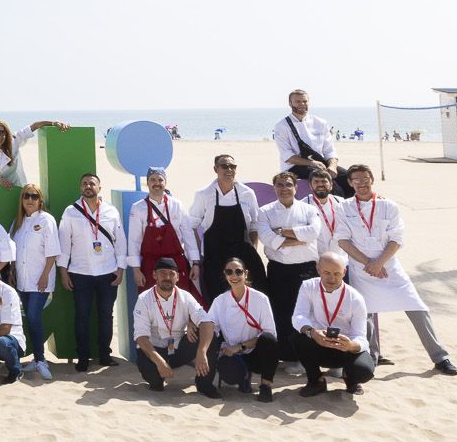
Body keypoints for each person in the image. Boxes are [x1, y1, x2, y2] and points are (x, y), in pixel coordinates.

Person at [336, 165, 457, 375]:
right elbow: (343, 240)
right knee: (364, 314)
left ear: (372, 180)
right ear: (350, 183)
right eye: (356, 180)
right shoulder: (344, 207)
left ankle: (440, 357)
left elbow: (397, 239)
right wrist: (369, 264)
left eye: (365, 179)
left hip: (389, 266)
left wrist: (379, 263)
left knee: (417, 308)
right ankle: (371, 356)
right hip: (361, 268)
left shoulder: (388, 206)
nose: (361, 183)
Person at [57, 173, 127, 372]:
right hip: (80, 272)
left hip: (108, 272)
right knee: (82, 316)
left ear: (100, 187)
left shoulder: (111, 211)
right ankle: (83, 358)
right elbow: (64, 244)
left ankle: (105, 355)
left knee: (106, 315)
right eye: (85, 184)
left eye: (92, 183)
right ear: (81, 188)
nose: (88, 186)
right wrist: (63, 271)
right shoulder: (71, 212)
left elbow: (120, 241)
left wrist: (120, 269)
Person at [291, 253, 376, 396]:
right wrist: (313, 332)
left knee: (364, 371)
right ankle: (315, 381)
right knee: (298, 336)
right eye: (326, 273)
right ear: (318, 269)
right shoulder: (308, 286)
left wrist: (350, 345)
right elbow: (298, 316)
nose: (332, 278)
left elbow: (361, 338)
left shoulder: (355, 298)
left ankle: (350, 379)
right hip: (319, 342)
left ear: (344, 272)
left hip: (345, 349)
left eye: (337, 273)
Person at [258, 170, 319, 367]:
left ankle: (305, 356)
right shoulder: (265, 211)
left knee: (305, 312)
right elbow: (267, 239)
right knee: (282, 312)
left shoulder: (309, 210)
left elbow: (313, 233)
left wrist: (282, 234)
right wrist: (297, 240)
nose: (284, 189)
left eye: (288, 185)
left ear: (296, 187)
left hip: (306, 269)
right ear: (274, 188)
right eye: (280, 185)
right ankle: (285, 354)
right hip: (279, 270)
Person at [131, 259, 215, 395]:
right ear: (154, 275)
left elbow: (207, 322)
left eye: (171, 274)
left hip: (177, 348)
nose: (167, 277)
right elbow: (141, 337)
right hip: (155, 349)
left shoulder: (185, 296)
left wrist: (201, 352)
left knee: (210, 335)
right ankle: (157, 377)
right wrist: (159, 361)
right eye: (162, 273)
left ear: (177, 277)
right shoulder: (144, 299)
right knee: (155, 382)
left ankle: (204, 385)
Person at [189, 156, 264, 305]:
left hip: (243, 257)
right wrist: (197, 257)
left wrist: (253, 249)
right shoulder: (203, 194)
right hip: (215, 257)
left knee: (253, 300)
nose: (229, 170)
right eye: (224, 166)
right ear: (216, 169)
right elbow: (191, 225)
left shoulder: (247, 193)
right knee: (218, 301)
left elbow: (255, 225)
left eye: (232, 166)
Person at [207, 259, 279, 402]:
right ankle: (243, 377)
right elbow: (210, 327)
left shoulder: (260, 298)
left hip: (255, 352)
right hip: (233, 354)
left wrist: (240, 347)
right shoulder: (220, 301)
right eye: (229, 272)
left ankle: (265, 386)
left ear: (246, 274)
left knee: (269, 340)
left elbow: (270, 333)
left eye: (238, 271)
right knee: (229, 375)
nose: (234, 276)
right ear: (225, 275)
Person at [9, 185, 60, 378]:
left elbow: (53, 251)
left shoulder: (46, 220)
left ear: (40, 200)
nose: (30, 199)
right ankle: (36, 358)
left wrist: (45, 275)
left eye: (34, 196)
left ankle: (40, 360)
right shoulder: (17, 223)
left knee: (33, 317)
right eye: (26, 196)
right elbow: (12, 251)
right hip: (22, 281)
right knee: (27, 320)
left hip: (40, 280)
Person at [125, 168, 200, 296]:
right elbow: (134, 241)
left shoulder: (177, 205)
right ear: (147, 183)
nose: (157, 183)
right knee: (151, 301)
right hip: (151, 265)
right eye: (152, 180)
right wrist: (136, 270)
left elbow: (188, 235)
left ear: (165, 183)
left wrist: (195, 263)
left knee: (181, 299)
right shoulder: (138, 208)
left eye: (160, 180)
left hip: (176, 263)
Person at [273, 89, 349, 194]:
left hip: (320, 164)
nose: (302, 104)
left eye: (304, 101)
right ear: (290, 103)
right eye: (298, 101)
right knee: (326, 181)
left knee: (349, 177)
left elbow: (329, 150)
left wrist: (332, 166)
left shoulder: (320, 123)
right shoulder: (282, 126)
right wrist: (312, 163)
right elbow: (288, 157)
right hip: (294, 167)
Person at [0, 119, 68, 188]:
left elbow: (34, 126)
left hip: (16, 186)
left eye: (2, 132)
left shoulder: (13, 141)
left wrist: (54, 123)